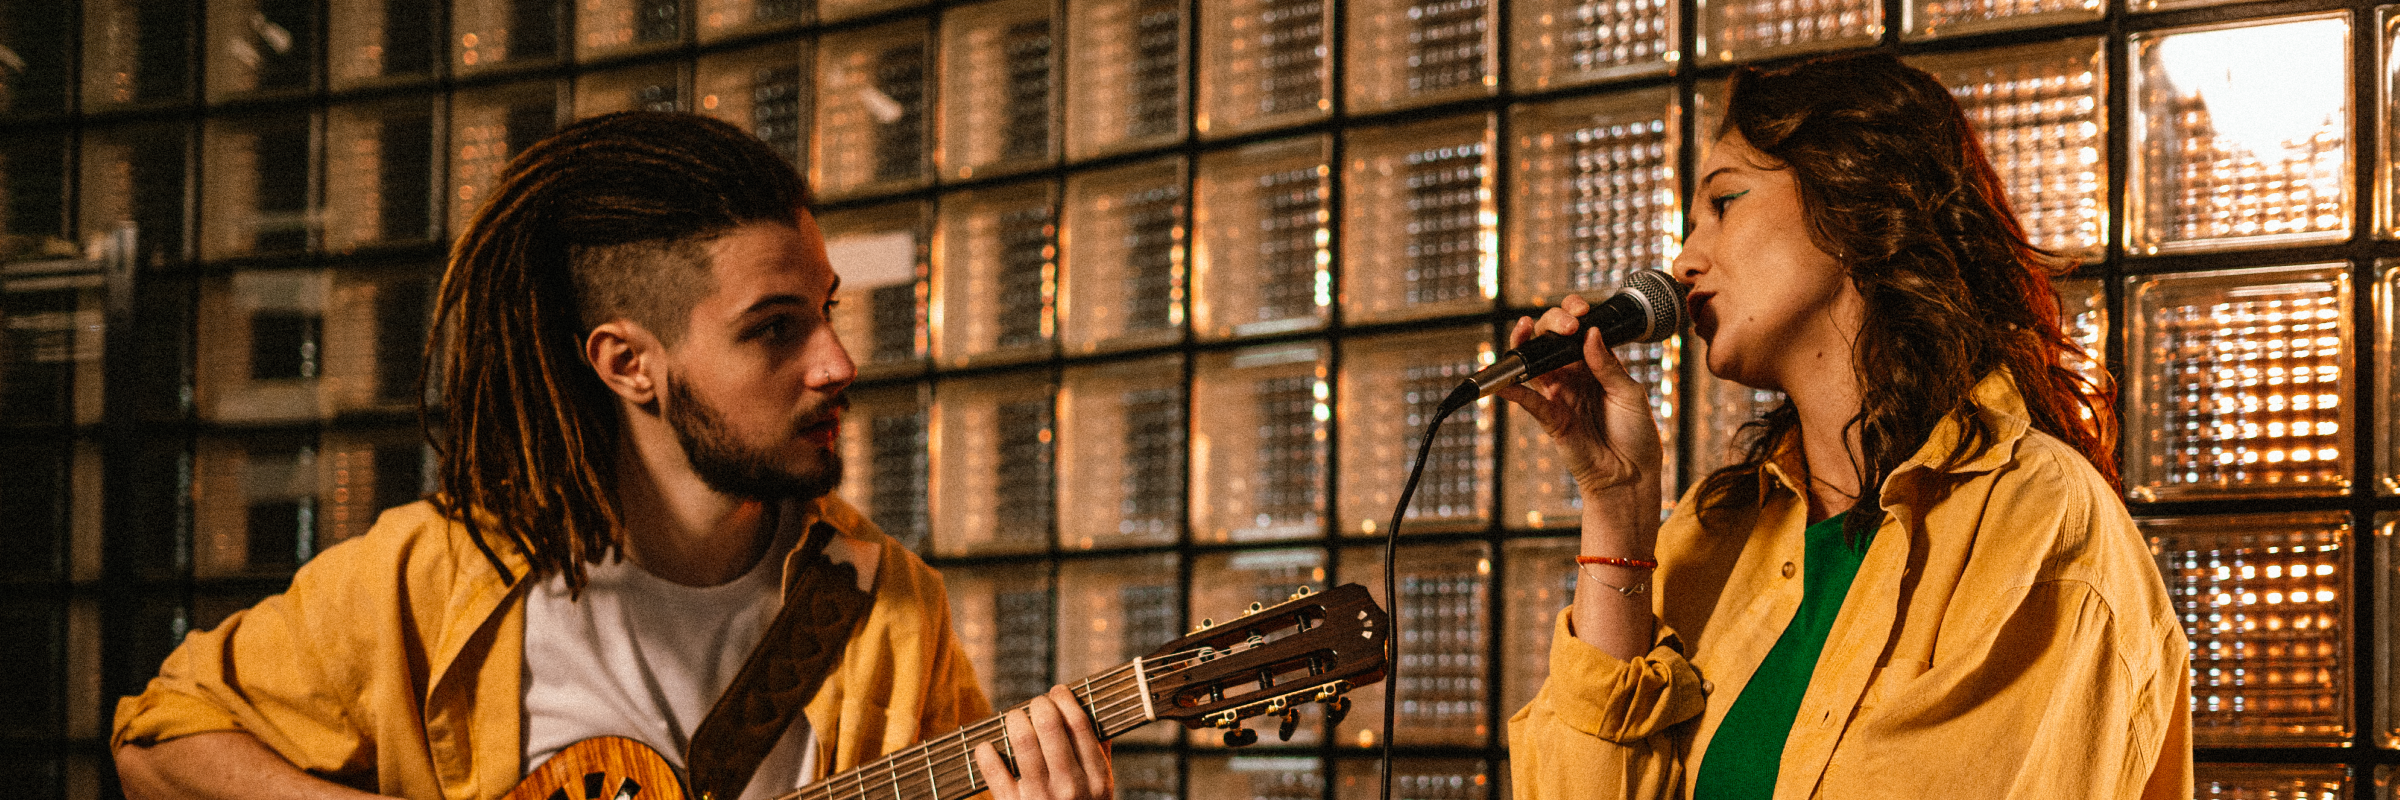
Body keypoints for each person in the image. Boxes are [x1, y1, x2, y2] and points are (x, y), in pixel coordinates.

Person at [111, 112, 1115, 800]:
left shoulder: (883, 607)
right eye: (774, 328)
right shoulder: (441, 575)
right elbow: (157, 742)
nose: (838, 361)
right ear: (630, 363)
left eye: (827, 311)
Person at [1498, 53, 2190, 799]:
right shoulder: (1715, 533)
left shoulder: (2038, 521)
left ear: (1857, 194)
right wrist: (1616, 506)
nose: (1683, 262)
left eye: (1724, 203)